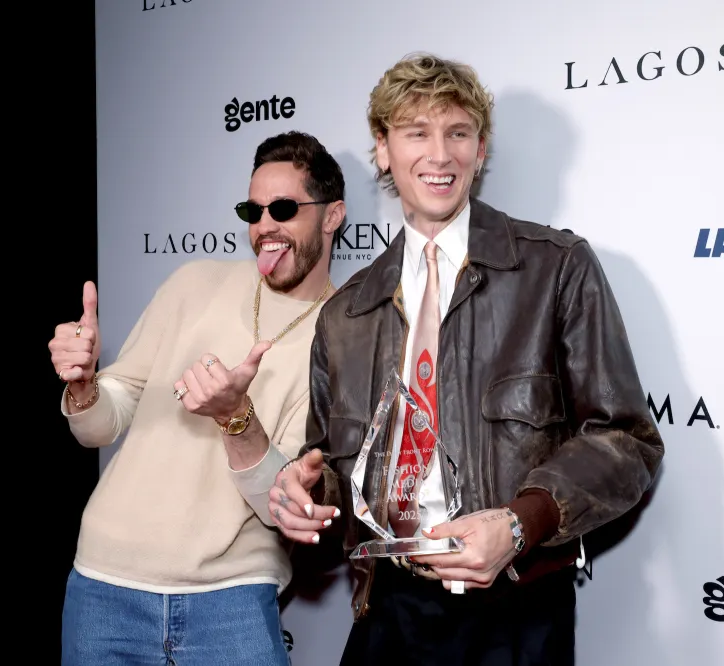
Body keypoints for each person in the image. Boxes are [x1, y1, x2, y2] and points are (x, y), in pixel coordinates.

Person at [270, 53, 665, 665]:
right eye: (416, 132)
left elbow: (625, 440)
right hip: (388, 607)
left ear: (480, 151)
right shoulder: (344, 314)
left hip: (517, 611)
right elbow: (328, 461)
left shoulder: (556, 268)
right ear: (383, 149)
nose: (440, 153)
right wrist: (306, 488)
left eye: (458, 132)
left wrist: (518, 523)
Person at [47, 131, 346, 665]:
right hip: (103, 588)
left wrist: (235, 416)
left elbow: (282, 506)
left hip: (232, 599)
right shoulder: (193, 283)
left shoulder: (346, 333)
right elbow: (98, 426)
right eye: (252, 211)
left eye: (282, 208)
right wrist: (84, 385)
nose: (264, 228)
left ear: (331, 216)